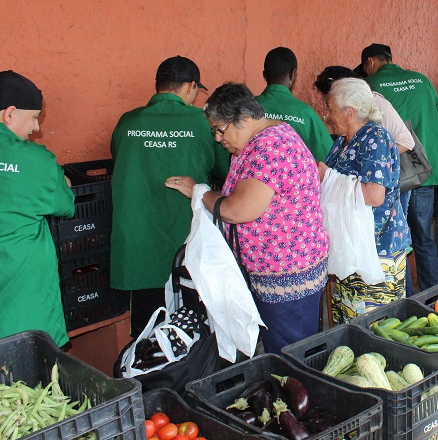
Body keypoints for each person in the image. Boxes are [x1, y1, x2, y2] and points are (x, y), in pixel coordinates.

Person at [166, 83, 329, 353]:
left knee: (291, 357)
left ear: (243, 118)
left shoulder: (268, 148)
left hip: (288, 275)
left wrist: (199, 192)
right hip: (282, 270)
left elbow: (237, 210)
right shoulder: (263, 139)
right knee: (286, 352)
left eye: (220, 130)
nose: (218, 139)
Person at [110, 56, 230, 336]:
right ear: (191, 86)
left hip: (140, 246)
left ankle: (145, 376)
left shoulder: (127, 122)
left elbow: (120, 159)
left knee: (146, 331)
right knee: (190, 328)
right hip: (186, 243)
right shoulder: (202, 121)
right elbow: (225, 169)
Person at [319, 78, 410, 322]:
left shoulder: (375, 138)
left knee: (374, 327)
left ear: (349, 112)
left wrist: (329, 176)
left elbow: (374, 195)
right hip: (352, 247)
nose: (327, 116)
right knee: (349, 323)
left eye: (331, 109)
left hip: (378, 250)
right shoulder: (342, 141)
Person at [0, 71, 75, 347]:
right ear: (9, 114)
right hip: (23, 291)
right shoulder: (34, 158)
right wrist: (62, 180)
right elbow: (65, 205)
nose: (35, 128)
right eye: (33, 118)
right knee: (30, 373)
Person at [362, 43, 438, 291]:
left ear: (370, 62)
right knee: (423, 238)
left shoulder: (372, 87)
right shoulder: (422, 80)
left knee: (397, 241)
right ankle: (435, 295)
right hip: (424, 172)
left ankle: (407, 298)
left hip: (392, 178)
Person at [255, 47, 333, 161]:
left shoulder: (248, 108)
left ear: (264, 75)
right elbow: (329, 156)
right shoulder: (305, 114)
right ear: (293, 74)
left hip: (252, 177)